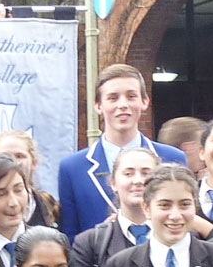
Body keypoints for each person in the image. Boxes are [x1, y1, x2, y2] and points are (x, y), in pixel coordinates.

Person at [58, 63, 187, 238]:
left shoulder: (172, 158)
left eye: (131, 96)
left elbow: (186, 220)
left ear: (144, 102)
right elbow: (69, 236)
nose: (123, 105)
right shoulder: (72, 167)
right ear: (98, 106)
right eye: (113, 98)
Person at [71, 146, 159, 267]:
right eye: (128, 173)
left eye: (146, 173)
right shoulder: (88, 244)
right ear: (113, 183)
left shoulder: (179, 237)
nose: (138, 180)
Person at [0, 128, 59, 228]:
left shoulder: (50, 206)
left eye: (19, 156)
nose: (13, 162)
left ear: (34, 163)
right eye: (4, 156)